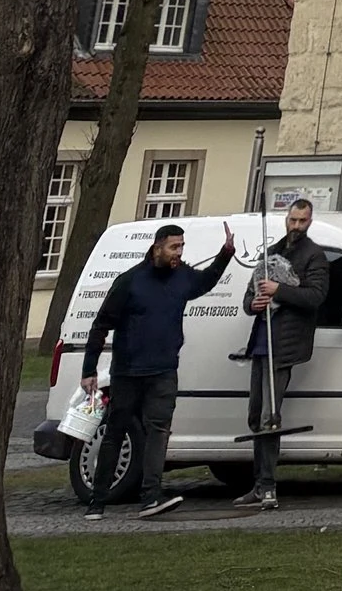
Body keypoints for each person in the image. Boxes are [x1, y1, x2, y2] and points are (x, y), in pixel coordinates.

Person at [79, 214, 237, 520]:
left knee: (159, 431)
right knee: (115, 431)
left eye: (181, 247)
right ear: (157, 249)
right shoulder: (129, 282)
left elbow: (205, 283)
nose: (178, 253)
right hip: (128, 371)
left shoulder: (182, 277)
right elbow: (100, 326)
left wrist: (225, 254)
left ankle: (150, 497)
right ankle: (98, 500)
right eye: (173, 247)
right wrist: (89, 370)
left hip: (164, 370)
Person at [235, 196, 330, 509]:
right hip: (261, 343)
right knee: (255, 415)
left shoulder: (314, 256)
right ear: (286, 219)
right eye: (292, 220)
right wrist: (255, 303)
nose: (296, 226)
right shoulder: (272, 252)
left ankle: (267, 485)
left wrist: (281, 292)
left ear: (310, 222)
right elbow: (249, 297)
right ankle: (258, 484)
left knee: (269, 417)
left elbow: (316, 296)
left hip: (285, 345)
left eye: (302, 221)